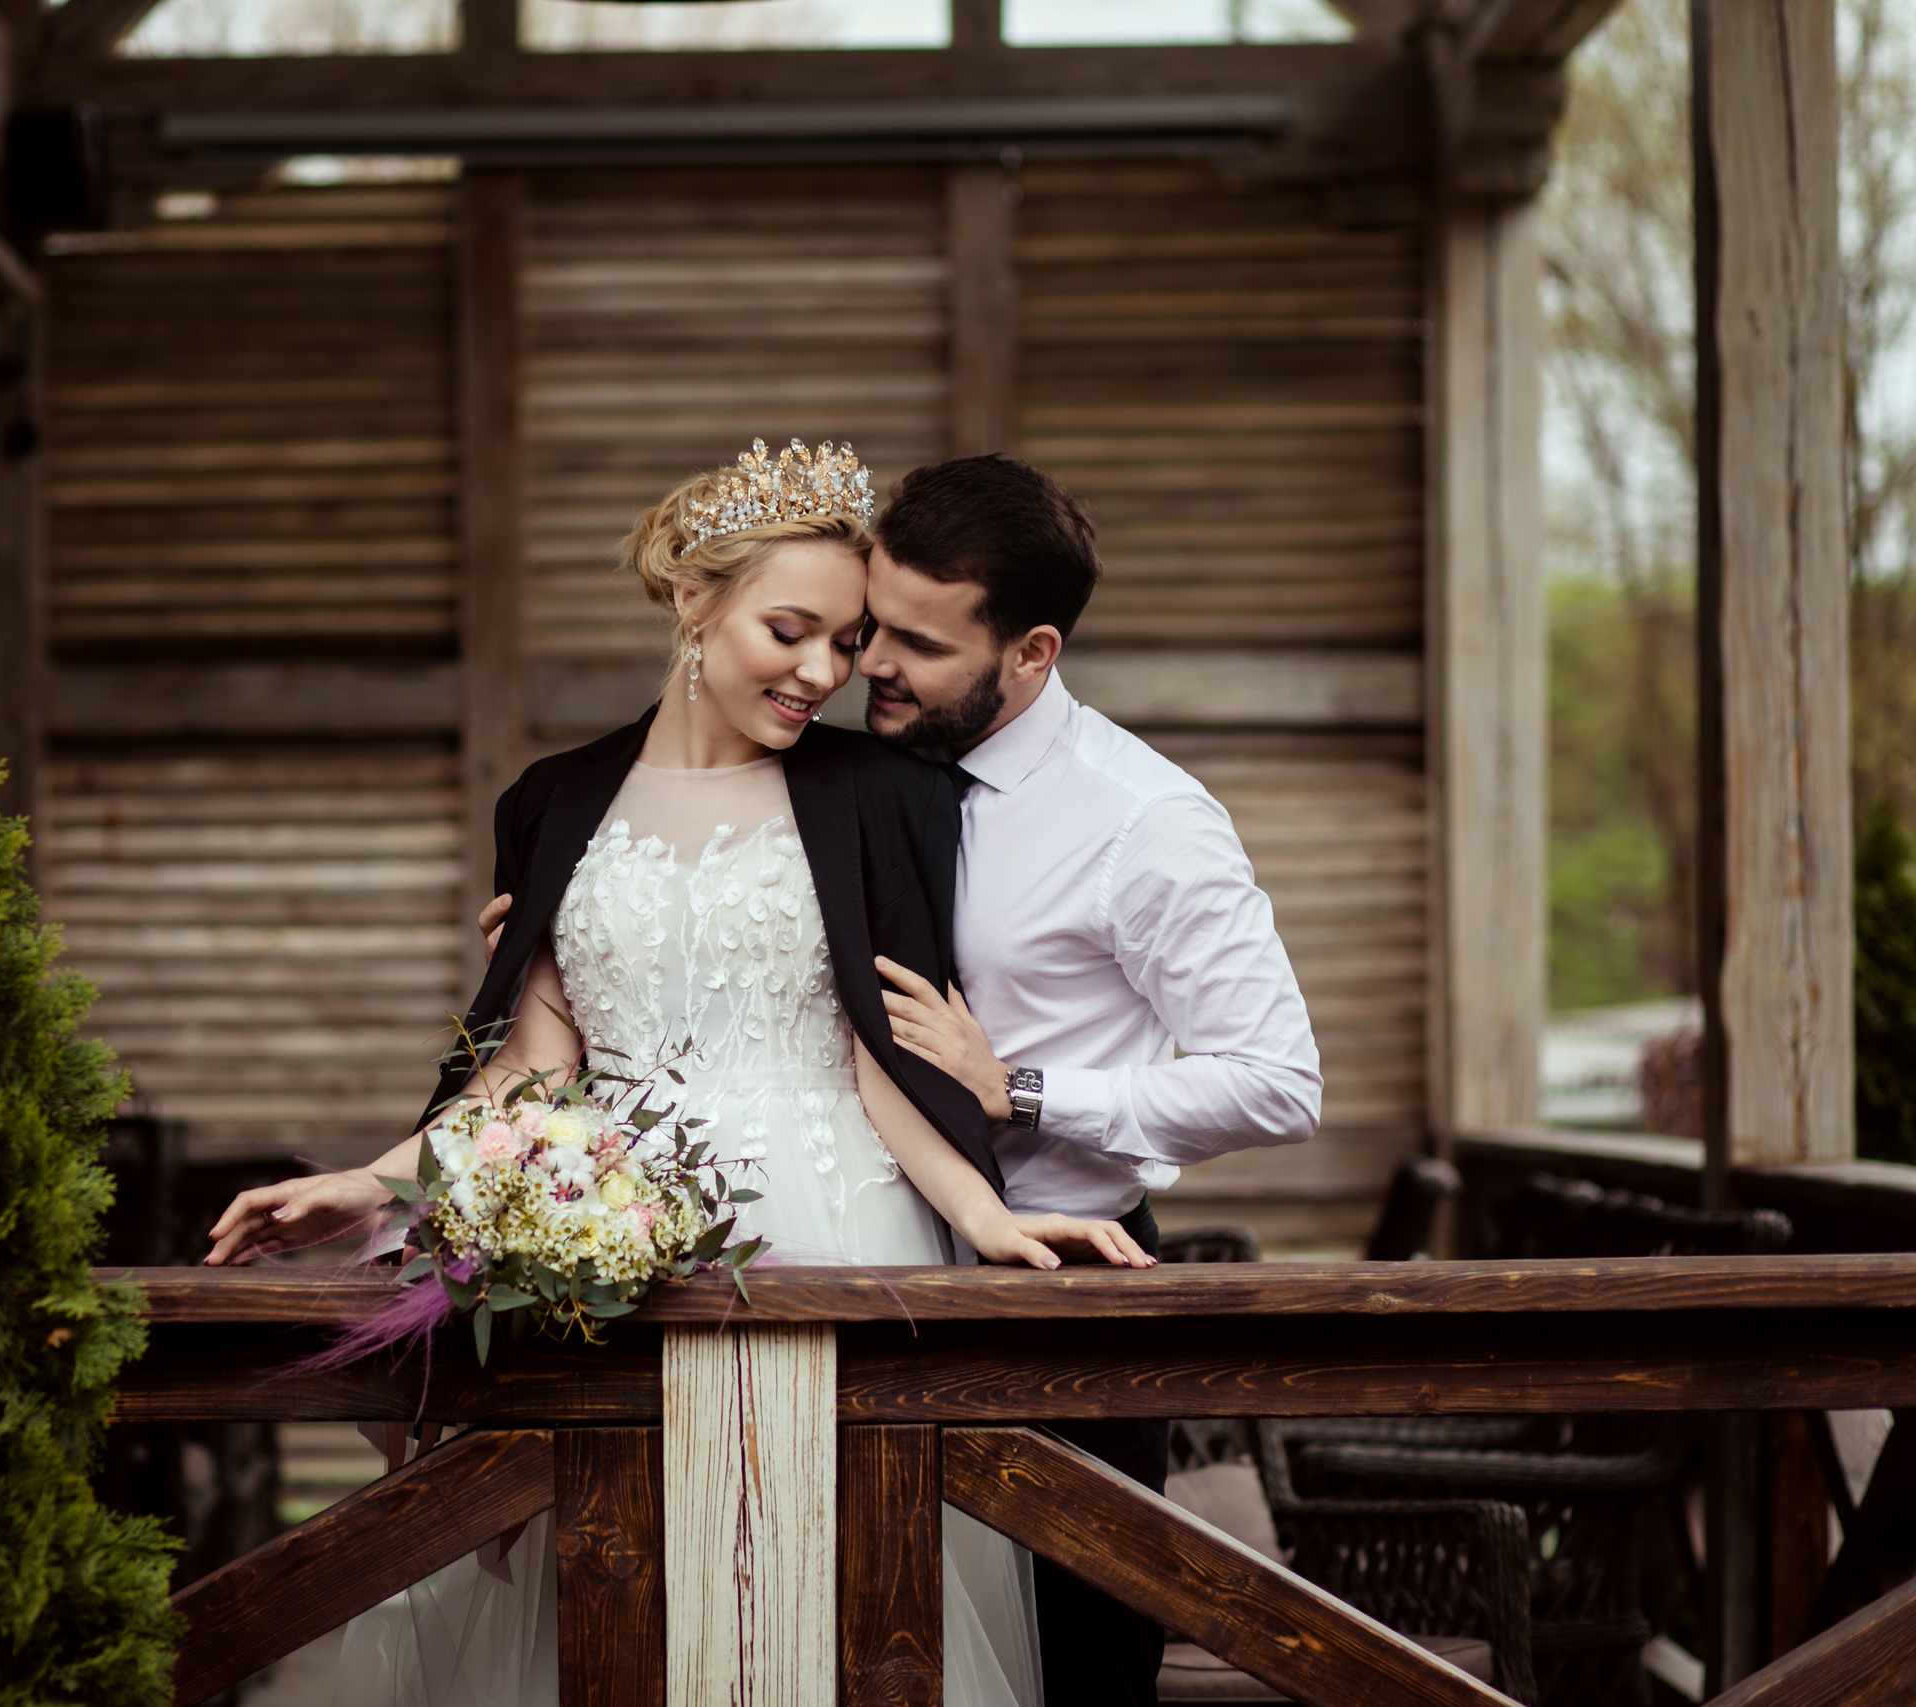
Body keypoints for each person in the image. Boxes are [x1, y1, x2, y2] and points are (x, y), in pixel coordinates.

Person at [203, 439, 1152, 1707]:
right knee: (613, 1587)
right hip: (614, 1237)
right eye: (791, 630)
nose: (826, 671)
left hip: (835, 1227)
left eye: (848, 638)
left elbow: (878, 1050)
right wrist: (373, 1184)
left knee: (837, 1609)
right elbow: (534, 1066)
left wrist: (987, 1220)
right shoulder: (551, 802)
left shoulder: (880, 793)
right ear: (690, 601)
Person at [857, 454, 1324, 1707]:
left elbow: (1279, 1081)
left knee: (1076, 1671)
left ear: (1032, 652)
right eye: (869, 624)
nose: (869, 664)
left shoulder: (1145, 822)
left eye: (915, 641)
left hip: (1067, 1318)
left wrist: (1026, 1092)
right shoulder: (844, 771)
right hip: (851, 1294)